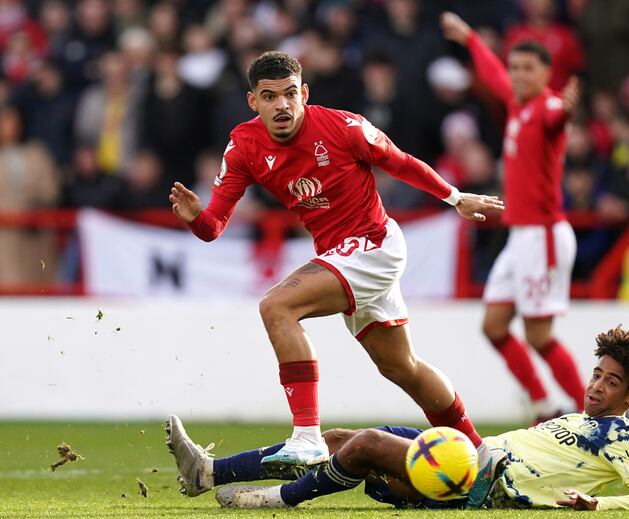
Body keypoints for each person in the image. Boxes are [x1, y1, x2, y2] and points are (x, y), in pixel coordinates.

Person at [167, 50, 504, 489]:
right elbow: (213, 227)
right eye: (270, 97)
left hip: (374, 245)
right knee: (401, 366)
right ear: (254, 101)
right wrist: (195, 217)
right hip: (340, 255)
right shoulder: (244, 145)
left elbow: (399, 161)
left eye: (290, 94)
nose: (282, 105)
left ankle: (306, 436)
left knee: (277, 307)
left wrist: (456, 198)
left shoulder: (343, 127)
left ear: (304, 93)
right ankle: (480, 454)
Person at [166, 326, 629, 512]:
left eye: (612, 382)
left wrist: (596, 505)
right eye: (597, 374)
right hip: (465, 451)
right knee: (337, 438)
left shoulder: (620, 435)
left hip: (479, 480)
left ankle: (270, 501)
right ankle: (209, 473)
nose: (597, 386)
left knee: (360, 446)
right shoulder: (572, 422)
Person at [440, 12, 585, 422]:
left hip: (545, 237)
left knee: (539, 337)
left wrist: (569, 112)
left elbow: (559, 119)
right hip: (520, 237)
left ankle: (599, 418)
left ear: (547, 72)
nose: (519, 75)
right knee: (494, 326)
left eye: (528, 68)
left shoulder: (548, 109)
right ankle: (545, 405)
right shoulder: (518, 103)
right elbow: (492, 74)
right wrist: (470, 37)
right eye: (515, 67)